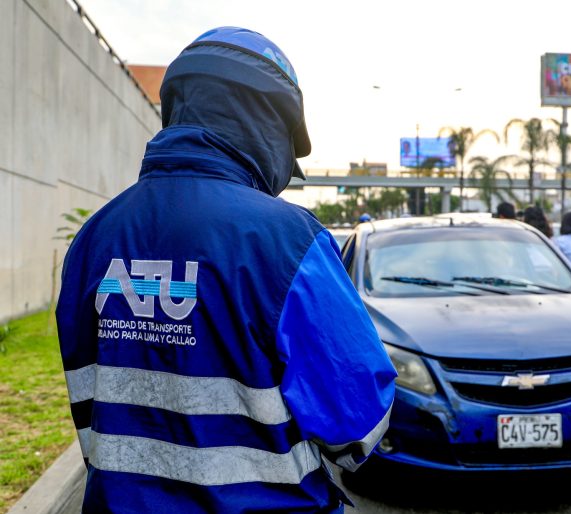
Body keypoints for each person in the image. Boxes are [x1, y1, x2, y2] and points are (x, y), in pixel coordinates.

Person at [56, 27, 397, 513]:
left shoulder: (93, 239)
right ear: (272, 127)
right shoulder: (288, 241)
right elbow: (357, 423)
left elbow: (92, 409)